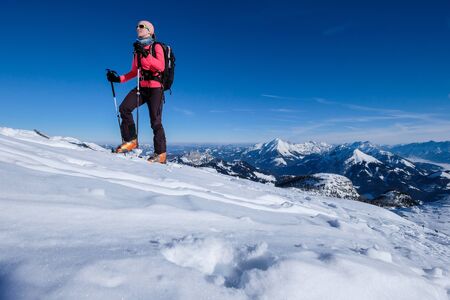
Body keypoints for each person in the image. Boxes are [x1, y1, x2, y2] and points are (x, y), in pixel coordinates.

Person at [107, 20, 167, 164]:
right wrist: (118, 79)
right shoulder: (137, 51)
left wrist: (145, 54)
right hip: (141, 87)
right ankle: (131, 140)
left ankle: (161, 154)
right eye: (137, 26)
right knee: (124, 108)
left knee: (155, 121)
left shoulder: (156, 46)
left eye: (141, 26)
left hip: (155, 88)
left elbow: (161, 66)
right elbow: (134, 72)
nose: (137, 28)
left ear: (150, 31)